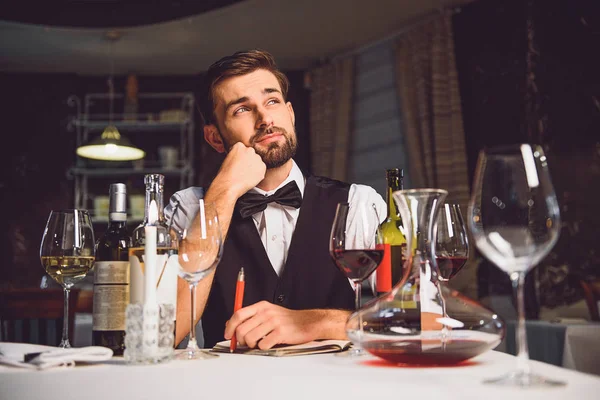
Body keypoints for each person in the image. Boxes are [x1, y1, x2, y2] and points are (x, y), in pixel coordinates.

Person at [165, 49, 386, 350]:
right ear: (215, 138)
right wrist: (225, 191)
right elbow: (162, 333)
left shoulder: (358, 204)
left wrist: (315, 323)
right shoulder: (189, 210)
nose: (265, 118)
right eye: (241, 109)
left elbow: (422, 319)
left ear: (290, 114)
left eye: (272, 101)